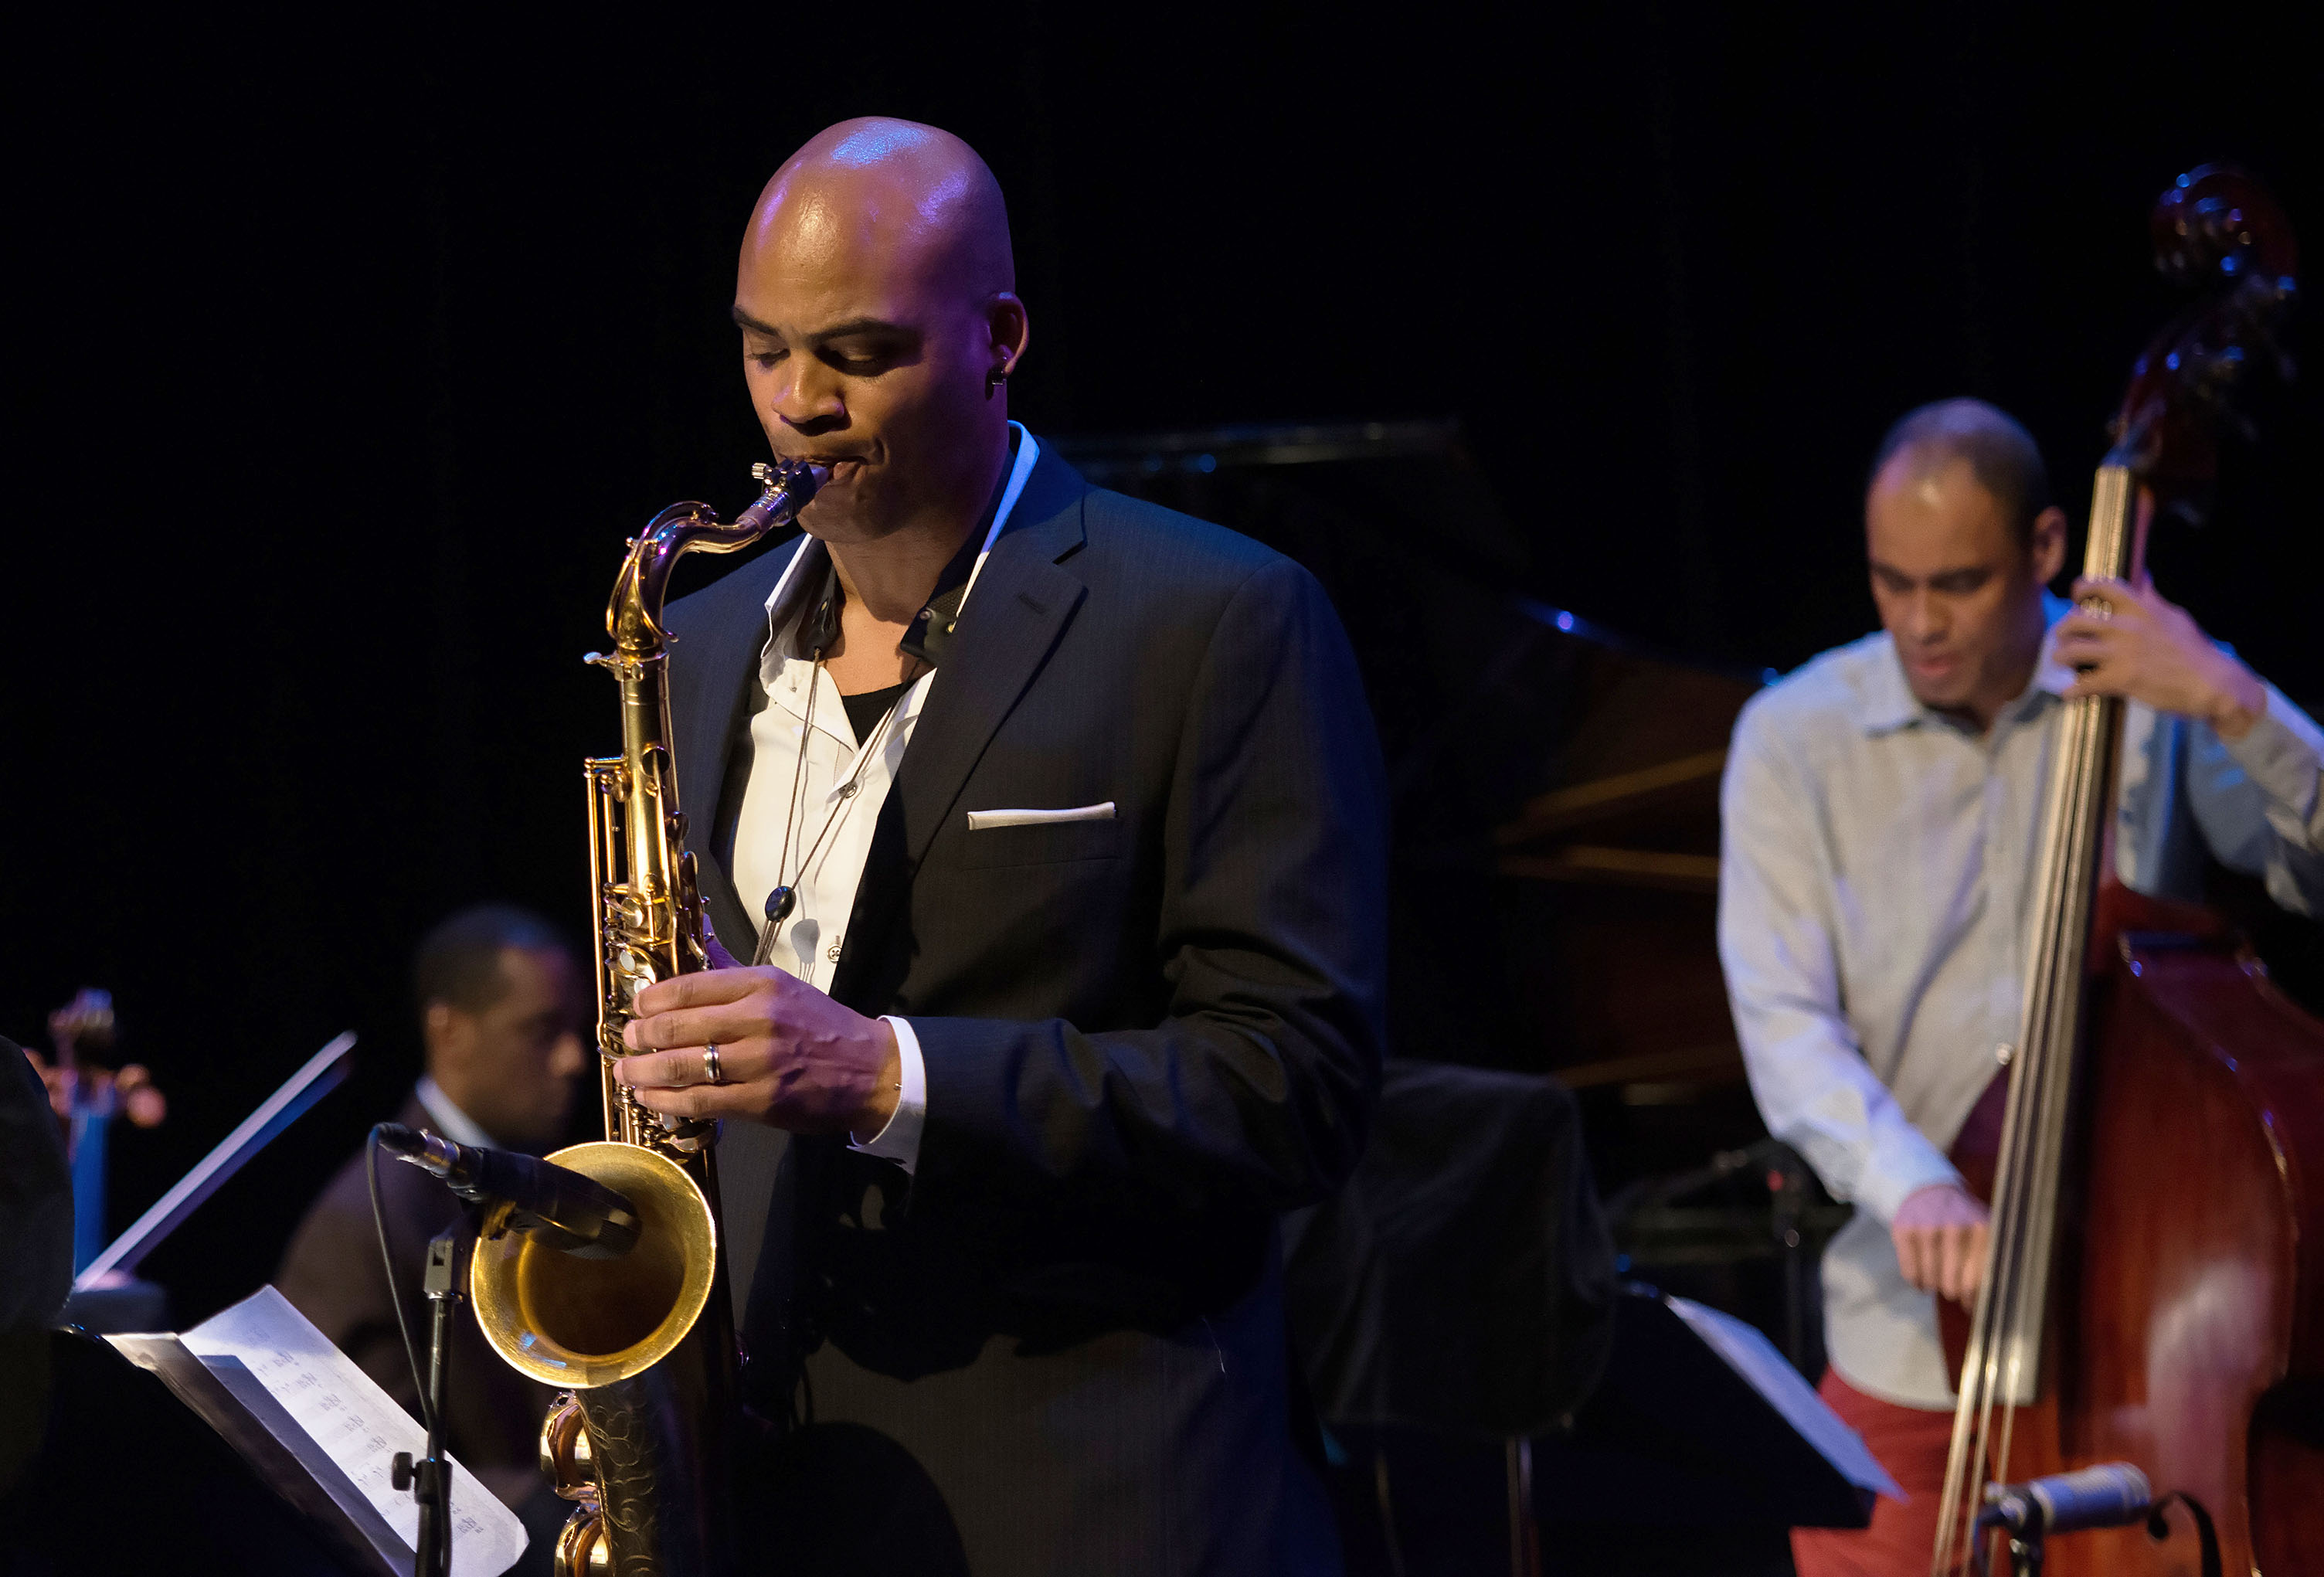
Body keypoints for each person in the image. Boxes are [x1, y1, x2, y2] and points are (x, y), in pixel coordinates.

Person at [606, 118, 1386, 1575]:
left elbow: (1295, 1087)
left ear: (1000, 337)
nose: (798, 407)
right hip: (774, 1489)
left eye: (855, 352)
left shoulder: (1213, 620)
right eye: (763, 350)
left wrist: (883, 1073)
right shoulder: (695, 646)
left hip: (1097, 1497)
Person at [1717, 397, 2324, 1575]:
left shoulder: (2151, 704)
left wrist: (2236, 702)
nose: (1921, 625)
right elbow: (1786, 1027)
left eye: (1959, 583)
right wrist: (1916, 1187)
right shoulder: (1793, 739)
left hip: (2156, 1362)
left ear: (2048, 550)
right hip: (1911, 1349)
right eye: (1893, 584)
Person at [276, 904, 586, 1527]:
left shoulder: (537, 1176)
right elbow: (370, 1478)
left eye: (577, 1029)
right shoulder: (365, 1218)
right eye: (542, 1029)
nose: (574, 1059)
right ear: (448, 1030)